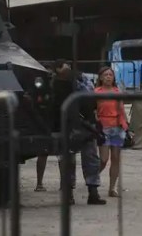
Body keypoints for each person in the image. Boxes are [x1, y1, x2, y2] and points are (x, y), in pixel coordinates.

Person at [51, 60, 106, 205]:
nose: (67, 67)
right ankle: (68, 194)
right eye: (63, 65)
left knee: (91, 160)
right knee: (67, 162)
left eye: (68, 65)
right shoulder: (55, 84)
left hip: (86, 125)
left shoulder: (81, 79)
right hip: (66, 126)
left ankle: (93, 193)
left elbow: (90, 97)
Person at [94, 67, 129, 198]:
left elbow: (121, 110)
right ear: (101, 78)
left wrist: (126, 126)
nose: (108, 77)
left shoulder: (117, 92)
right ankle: (92, 178)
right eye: (105, 75)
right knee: (103, 159)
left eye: (111, 74)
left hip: (117, 128)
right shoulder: (96, 92)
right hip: (103, 128)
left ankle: (112, 188)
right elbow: (93, 109)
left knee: (116, 159)